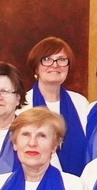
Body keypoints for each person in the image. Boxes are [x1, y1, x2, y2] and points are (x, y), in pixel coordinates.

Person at [23, 37, 92, 175]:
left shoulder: (80, 103)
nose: (55, 65)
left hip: (78, 182)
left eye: (61, 60)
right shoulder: (22, 104)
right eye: (47, 59)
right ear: (36, 67)